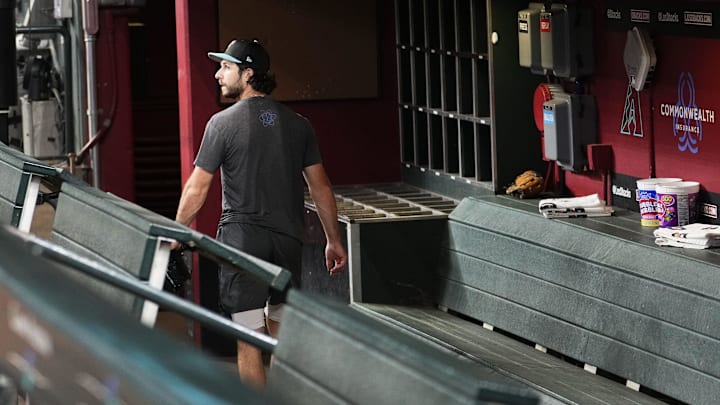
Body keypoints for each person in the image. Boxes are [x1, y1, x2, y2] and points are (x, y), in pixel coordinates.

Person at [173, 38, 347, 387]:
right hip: (288, 244)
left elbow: (197, 187)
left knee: (250, 338)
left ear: (248, 73)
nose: (218, 73)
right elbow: (320, 186)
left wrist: (177, 229)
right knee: (281, 334)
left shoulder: (221, 124)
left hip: (243, 245)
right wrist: (333, 240)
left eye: (226, 67)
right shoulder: (299, 124)